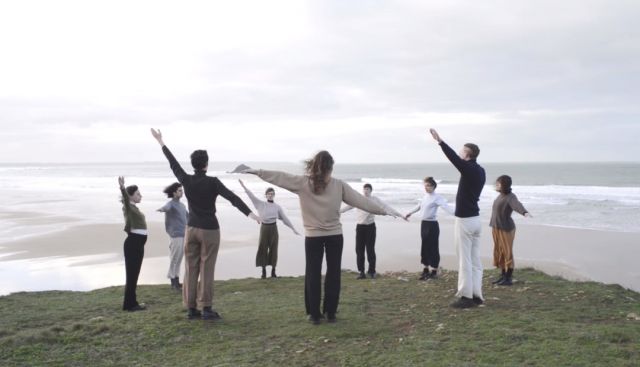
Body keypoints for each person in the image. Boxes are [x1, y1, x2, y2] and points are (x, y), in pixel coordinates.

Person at [239, 151, 395, 324]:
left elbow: (279, 177)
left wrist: (257, 171)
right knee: (329, 273)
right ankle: (326, 313)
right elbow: (361, 201)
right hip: (333, 236)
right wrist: (383, 211)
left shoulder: (304, 183)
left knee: (317, 273)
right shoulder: (335, 185)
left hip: (318, 237)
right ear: (330, 168)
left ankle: (317, 314)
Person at [151, 128, 260, 321]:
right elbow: (232, 198)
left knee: (191, 268)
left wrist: (161, 142)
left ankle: (191, 309)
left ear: (193, 165)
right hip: (209, 229)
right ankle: (206, 308)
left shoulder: (186, 180)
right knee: (206, 268)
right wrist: (250, 214)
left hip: (191, 229)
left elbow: (173, 164)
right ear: (206, 165)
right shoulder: (213, 182)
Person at [429, 128, 486, 309]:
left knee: (465, 260)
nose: (460, 152)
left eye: (462, 150)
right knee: (475, 260)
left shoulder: (467, 168)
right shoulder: (480, 170)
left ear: (467, 155)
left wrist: (440, 141)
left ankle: (466, 296)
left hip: (465, 221)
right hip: (476, 220)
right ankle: (477, 295)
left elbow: (453, 157)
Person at [238, 179, 300, 279]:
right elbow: (251, 196)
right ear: (265, 195)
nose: (270, 195)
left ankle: (273, 272)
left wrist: (293, 229)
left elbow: (285, 218)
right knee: (262, 248)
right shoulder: (260, 204)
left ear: (274, 195)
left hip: (273, 229)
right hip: (264, 228)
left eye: (272, 194)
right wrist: (243, 186)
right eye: (269, 194)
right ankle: (263, 272)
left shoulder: (277, 207)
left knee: (274, 249)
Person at [340, 183, 404, 280]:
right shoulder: (359, 199)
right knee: (359, 250)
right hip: (360, 227)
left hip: (370, 227)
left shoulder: (375, 199)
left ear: (371, 190)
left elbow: (385, 207)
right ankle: (361, 272)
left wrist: (399, 215)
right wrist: (338, 212)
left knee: (370, 249)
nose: (365, 191)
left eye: (367, 189)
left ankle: (372, 271)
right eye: (364, 189)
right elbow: (348, 206)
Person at [404, 177, 453, 280]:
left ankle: (434, 270)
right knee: (424, 246)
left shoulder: (437, 197)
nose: (426, 187)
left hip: (432, 225)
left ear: (434, 186)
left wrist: (458, 214)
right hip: (424, 224)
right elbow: (419, 206)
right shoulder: (425, 196)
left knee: (433, 247)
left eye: (429, 186)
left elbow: (446, 207)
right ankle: (425, 268)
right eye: (425, 185)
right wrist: (409, 213)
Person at [490, 175, 532, 286]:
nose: (496, 185)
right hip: (496, 227)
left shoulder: (510, 196)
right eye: (496, 183)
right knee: (500, 252)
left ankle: (508, 278)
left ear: (504, 185)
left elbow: (517, 205)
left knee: (507, 252)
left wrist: (524, 212)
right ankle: (503, 276)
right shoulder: (500, 195)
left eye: (498, 184)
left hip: (506, 228)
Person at [118, 176, 147, 312]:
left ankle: (132, 303)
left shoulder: (134, 208)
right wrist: (123, 188)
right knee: (131, 275)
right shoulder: (128, 206)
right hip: (133, 244)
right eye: (137, 194)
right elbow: (125, 199)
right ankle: (130, 305)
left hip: (139, 244)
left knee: (135, 274)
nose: (140, 196)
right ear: (130, 197)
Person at [157, 182, 188, 291]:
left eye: (182, 190)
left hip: (184, 235)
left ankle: (177, 280)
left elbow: (188, 218)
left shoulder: (182, 205)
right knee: (174, 258)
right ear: (174, 193)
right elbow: (166, 207)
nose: (182, 192)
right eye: (179, 190)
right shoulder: (170, 204)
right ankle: (173, 282)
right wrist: (162, 209)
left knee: (179, 258)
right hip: (175, 236)